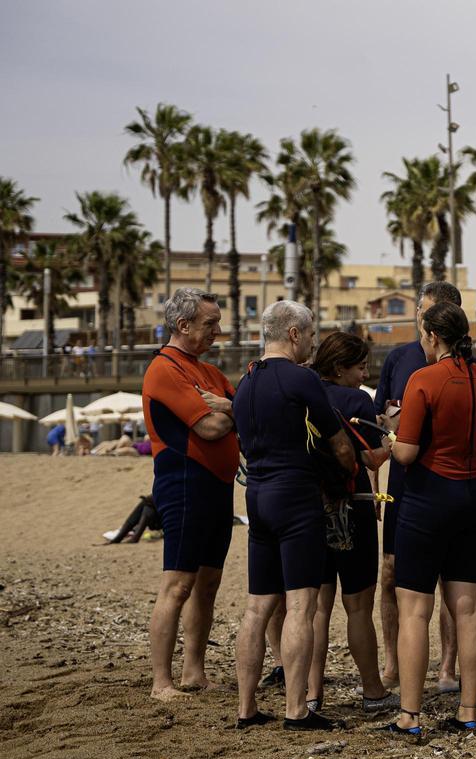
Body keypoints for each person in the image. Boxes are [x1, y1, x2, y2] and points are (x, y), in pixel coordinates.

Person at [382, 301, 476, 739]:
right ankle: (468, 710)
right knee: (468, 607)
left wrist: (391, 431)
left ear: (432, 336)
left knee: (415, 610)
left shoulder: (424, 379)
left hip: (427, 499)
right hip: (474, 497)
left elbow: (406, 453)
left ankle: (410, 716)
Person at [232, 300, 356, 730]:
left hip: (257, 497)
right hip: (295, 496)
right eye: (311, 334)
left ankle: (247, 708)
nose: (313, 343)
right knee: (301, 607)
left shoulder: (245, 381)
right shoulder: (301, 380)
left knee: (257, 608)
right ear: (294, 334)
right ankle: (296, 709)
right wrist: (347, 473)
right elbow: (340, 443)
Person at [141, 288, 240, 702]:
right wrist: (232, 412)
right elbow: (210, 428)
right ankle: (160, 682)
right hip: (183, 480)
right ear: (183, 326)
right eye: (210, 324)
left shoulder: (211, 373)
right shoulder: (165, 370)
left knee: (208, 582)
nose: (218, 331)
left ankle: (193, 671)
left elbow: (246, 411)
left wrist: (230, 409)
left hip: (217, 485)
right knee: (178, 584)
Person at [370, 281, 466, 694]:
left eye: (430, 316)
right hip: (403, 484)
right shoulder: (398, 358)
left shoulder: (469, 365)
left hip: (445, 483)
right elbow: (378, 421)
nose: (423, 323)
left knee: (453, 580)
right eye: (421, 314)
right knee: (390, 572)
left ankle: (446, 666)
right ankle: (392, 662)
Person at [307, 331, 399, 714]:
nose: (365, 373)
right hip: (353, 505)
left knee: (315, 607)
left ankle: (311, 693)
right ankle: (373, 690)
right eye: (360, 366)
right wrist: (392, 443)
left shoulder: (306, 395)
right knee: (358, 606)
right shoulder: (355, 399)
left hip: (311, 506)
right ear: (339, 367)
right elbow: (369, 459)